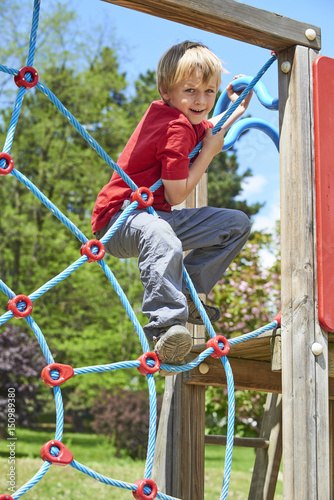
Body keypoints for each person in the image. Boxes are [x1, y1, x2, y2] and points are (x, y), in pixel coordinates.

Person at [92, 41, 252, 367]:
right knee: (160, 235)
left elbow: (208, 125)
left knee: (235, 224)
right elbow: (178, 194)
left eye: (209, 91)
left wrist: (236, 110)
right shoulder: (176, 126)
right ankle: (166, 327)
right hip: (120, 220)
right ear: (167, 90)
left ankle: (186, 292)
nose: (201, 100)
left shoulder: (181, 116)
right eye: (190, 90)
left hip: (156, 216)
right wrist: (209, 152)